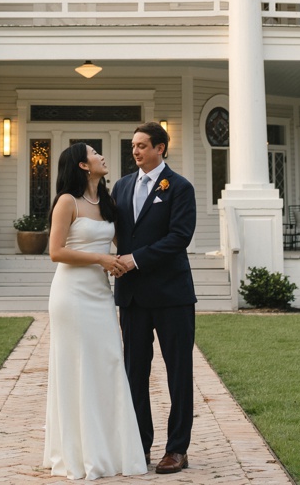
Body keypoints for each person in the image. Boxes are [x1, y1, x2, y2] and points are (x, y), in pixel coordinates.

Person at [43, 142, 148, 480]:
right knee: (77, 369)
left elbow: (119, 246)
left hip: (101, 295)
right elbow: (56, 252)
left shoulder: (107, 203)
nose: (102, 156)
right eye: (94, 153)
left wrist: (120, 262)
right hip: (71, 295)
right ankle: (79, 453)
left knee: (108, 364)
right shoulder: (66, 202)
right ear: (82, 166)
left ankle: (111, 450)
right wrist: (101, 259)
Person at [111, 121, 197, 475]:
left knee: (178, 372)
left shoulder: (179, 187)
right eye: (133, 145)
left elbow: (179, 237)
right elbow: (116, 231)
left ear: (161, 148)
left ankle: (177, 449)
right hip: (132, 298)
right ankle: (139, 444)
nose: (135, 151)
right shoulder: (121, 186)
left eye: (142, 145)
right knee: (135, 373)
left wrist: (135, 259)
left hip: (172, 295)